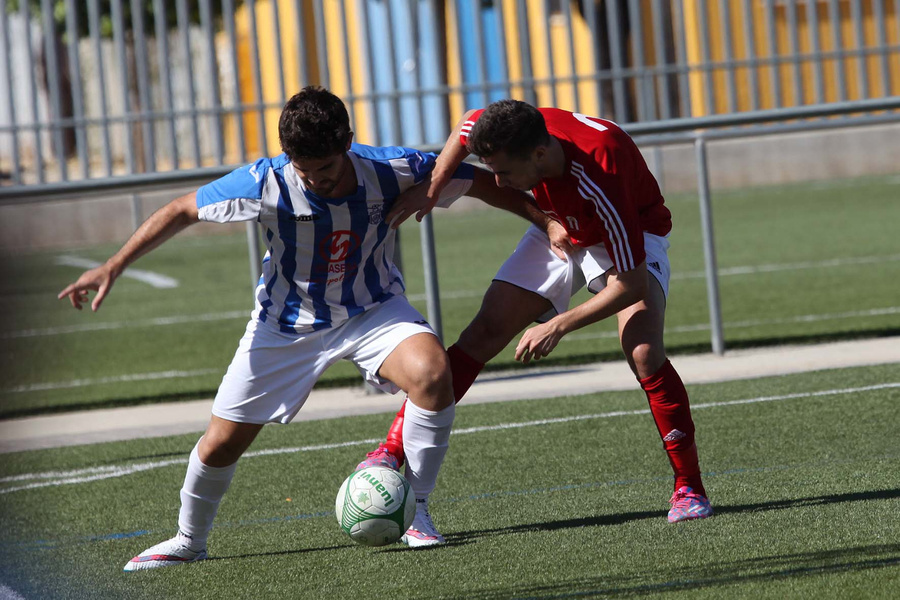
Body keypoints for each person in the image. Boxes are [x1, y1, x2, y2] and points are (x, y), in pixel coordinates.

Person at [57, 87, 538, 569]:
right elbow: (182, 208)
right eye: (303, 170)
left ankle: (418, 510)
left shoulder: (393, 168)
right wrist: (114, 265)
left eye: (325, 169)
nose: (315, 181)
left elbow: (476, 179)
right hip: (285, 326)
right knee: (221, 443)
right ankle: (188, 539)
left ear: (348, 142)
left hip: (372, 310)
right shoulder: (265, 181)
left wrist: (545, 221)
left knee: (433, 373)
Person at [358, 99, 713, 523]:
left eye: (505, 172)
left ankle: (689, 488)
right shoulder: (517, 132)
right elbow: (468, 126)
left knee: (643, 352)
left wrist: (560, 324)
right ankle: (390, 451)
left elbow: (630, 284)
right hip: (561, 222)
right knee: (485, 331)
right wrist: (435, 184)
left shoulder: (602, 173)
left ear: (540, 154)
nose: (501, 184)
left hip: (630, 236)